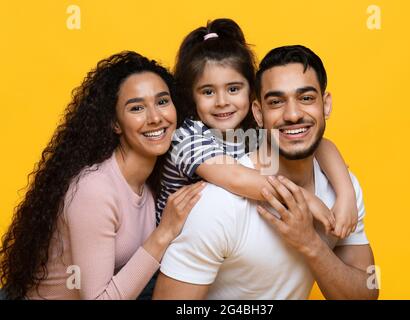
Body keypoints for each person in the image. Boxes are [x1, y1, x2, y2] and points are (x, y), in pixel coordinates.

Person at [153, 45, 378, 300]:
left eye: (306, 98)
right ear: (258, 113)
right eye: (276, 102)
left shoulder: (341, 190)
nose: (293, 114)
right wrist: (306, 200)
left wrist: (312, 243)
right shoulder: (218, 202)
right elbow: (236, 178)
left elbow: (366, 294)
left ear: (326, 105)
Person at [0, 51, 204, 300]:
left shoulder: (155, 180)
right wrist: (164, 233)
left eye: (162, 102)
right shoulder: (94, 188)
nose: (155, 117)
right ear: (115, 124)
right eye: (137, 108)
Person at [156, 18, 358, 239]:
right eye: (207, 92)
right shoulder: (186, 137)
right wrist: (307, 199)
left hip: (224, 248)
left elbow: (321, 144)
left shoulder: (250, 131)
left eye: (233, 89)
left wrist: (346, 194)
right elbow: (235, 177)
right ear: (191, 96)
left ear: (251, 93)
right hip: (173, 254)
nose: (222, 101)